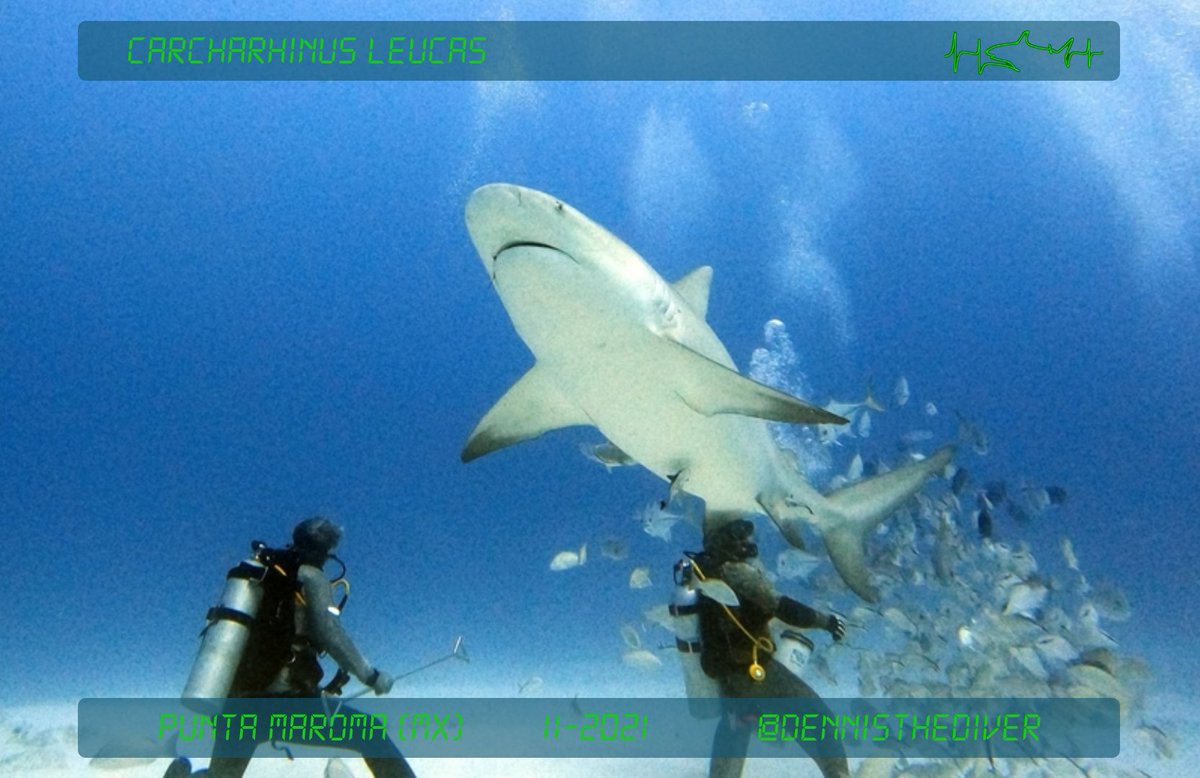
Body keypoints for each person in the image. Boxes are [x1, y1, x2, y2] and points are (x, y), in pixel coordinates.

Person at [165, 517, 416, 778]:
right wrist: (371, 676)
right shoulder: (311, 577)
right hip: (281, 706)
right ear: (325, 551)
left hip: (236, 704)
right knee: (369, 732)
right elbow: (331, 634)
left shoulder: (263, 574)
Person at [692, 516, 850, 778]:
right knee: (817, 717)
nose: (747, 543)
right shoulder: (735, 572)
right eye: (740, 535)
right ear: (727, 540)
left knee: (734, 737)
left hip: (727, 678)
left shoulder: (701, 574)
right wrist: (827, 621)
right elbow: (782, 607)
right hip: (754, 672)